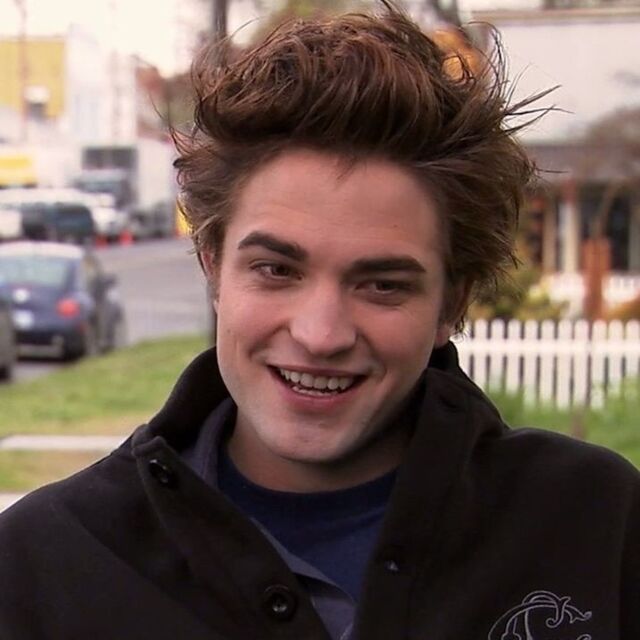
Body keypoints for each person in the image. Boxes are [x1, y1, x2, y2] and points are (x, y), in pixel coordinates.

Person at [0, 3, 638, 639]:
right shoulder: (42, 565)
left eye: (382, 284)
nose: (320, 334)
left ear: (452, 303)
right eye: (277, 270)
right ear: (213, 265)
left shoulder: (598, 525)